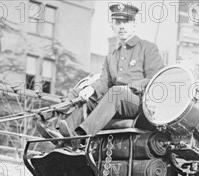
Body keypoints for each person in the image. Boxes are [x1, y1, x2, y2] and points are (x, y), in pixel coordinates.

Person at [58, 3, 164, 137]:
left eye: (126, 21)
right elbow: (104, 82)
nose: (122, 26)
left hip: (139, 104)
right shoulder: (111, 56)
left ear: (134, 25)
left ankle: (81, 135)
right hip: (112, 101)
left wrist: (129, 88)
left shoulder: (148, 48)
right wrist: (91, 89)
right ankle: (63, 134)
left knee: (116, 92)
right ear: (112, 26)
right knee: (78, 93)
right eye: (118, 22)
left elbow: (155, 79)